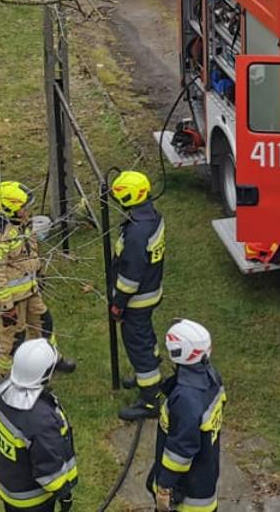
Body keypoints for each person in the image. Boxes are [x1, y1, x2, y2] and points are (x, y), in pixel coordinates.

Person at [0, 181, 76, 377]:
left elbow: (32, 251)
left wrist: (39, 275)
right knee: (14, 336)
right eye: (23, 207)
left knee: (44, 323)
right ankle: (7, 374)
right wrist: (6, 306)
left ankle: (50, 360)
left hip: (31, 290)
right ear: (9, 208)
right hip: (13, 299)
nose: (27, 210)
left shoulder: (23, 223)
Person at [0, 339, 79, 511]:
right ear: (43, 375)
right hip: (34, 500)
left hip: (10, 487)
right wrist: (64, 492)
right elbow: (50, 470)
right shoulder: (40, 421)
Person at [147, 320, 225, 512]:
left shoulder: (185, 398)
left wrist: (165, 486)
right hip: (205, 475)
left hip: (188, 492)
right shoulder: (210, 376)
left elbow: (181, 450)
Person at [108, 170, 166, 420]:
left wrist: (118, 305)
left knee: (137, 344)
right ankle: (150, 370)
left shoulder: (136, 234)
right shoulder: (151, 217)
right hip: (151, 293)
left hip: (136, 300)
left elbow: (130, 278)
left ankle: (149, 399)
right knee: (146, 336)